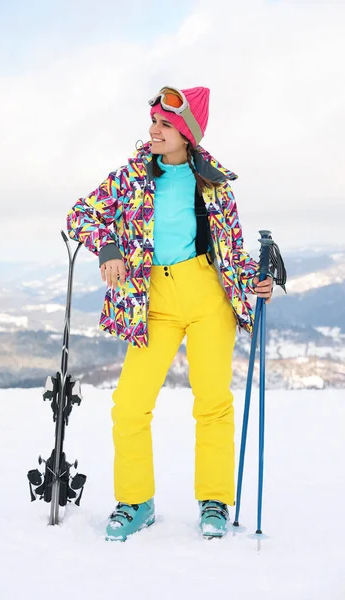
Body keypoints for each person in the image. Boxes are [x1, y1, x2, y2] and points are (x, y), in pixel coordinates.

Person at [66, 85, 273, 542]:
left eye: (164, 124)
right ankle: (136, 501)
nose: (153, 130)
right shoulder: (132, 176)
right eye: (154, 122)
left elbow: (232, 253)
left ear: (186, 133)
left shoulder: (214, 183)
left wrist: (255, 283)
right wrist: (108, 247)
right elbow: (80, 214)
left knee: (213, 401)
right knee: (130, 404)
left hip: (206, 295)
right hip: (152, 299)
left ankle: (214, 499)